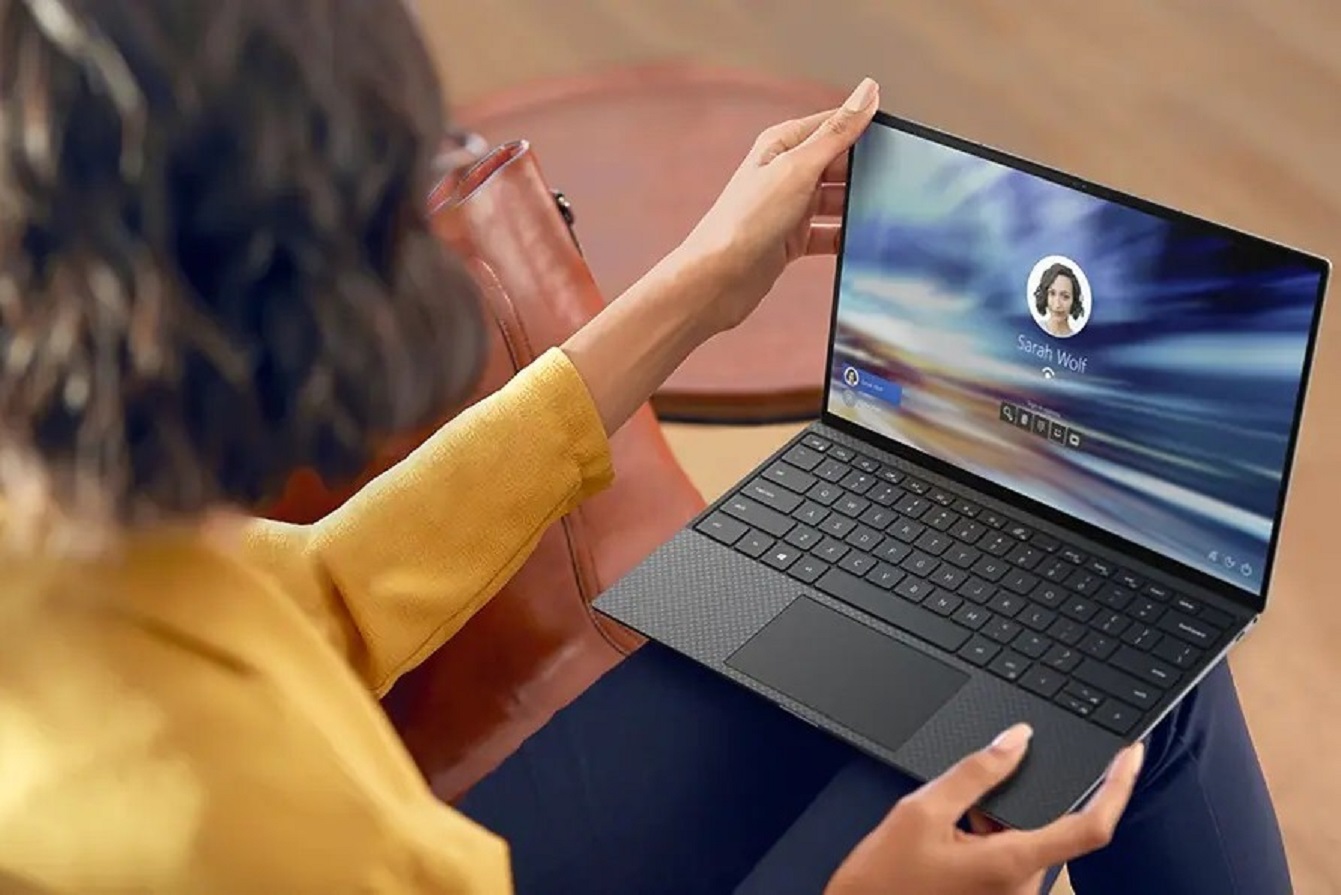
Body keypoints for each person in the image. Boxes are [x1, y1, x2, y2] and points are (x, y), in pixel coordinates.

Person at [0, 1, 1292, 893]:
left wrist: (686, 292)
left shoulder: (52, 544)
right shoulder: (255, 827)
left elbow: (317, 590)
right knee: (1119, 679)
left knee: (1112, 621)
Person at [1034, 261, 1086, 338]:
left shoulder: (1078, 341)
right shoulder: (1034, 331)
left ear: (1074, 301)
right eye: (1052, 293)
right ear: (1045, 296)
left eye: (1065, 297)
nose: (1057, 305)